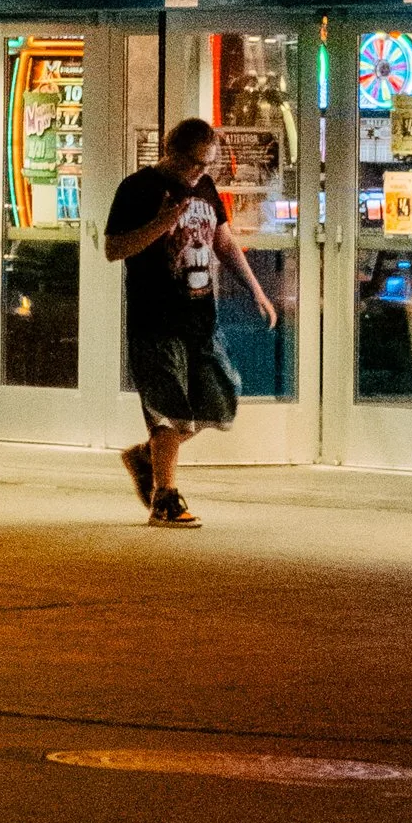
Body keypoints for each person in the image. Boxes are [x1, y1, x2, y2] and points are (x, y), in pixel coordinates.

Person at [103, 118, 276, 526]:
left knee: (220, 402)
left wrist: (255, 290)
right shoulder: (138, 188)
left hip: (200, 314)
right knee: (169, 410)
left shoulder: (204, 188)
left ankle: (147, 457)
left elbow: (223, 240)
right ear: (171, 151)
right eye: (195, 163)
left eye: (208, 164)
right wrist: (160, 225)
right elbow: (114, 249)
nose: (200, 172)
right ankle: (164, 497)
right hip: (155, 317)